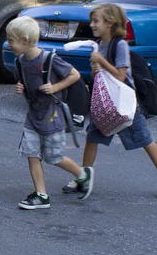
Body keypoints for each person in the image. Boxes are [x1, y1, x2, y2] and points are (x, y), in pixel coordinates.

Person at [68, 3, 157, 199]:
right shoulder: (100, 44)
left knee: (143, 137)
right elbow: (103, 76)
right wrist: (96, 70)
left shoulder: (120, 45)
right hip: (106, 101)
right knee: (92, 136)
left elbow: (120, 76)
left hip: (125, 102)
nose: (92, 24)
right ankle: (84, 176)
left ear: (110, 23)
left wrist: (101, 61)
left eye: (96, 21)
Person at [7, 16, 94, 208]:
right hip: (33, 115)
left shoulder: (49, 59)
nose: (8, 43)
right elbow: (23, 79)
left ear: (25, 41)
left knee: (54, 157)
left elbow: (74, 75)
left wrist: (55, 88)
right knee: (32, 153)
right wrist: (21, 85)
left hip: (52, 116)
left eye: (11, 40)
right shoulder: (20, 61)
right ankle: (41, 195)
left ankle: (82, 175)